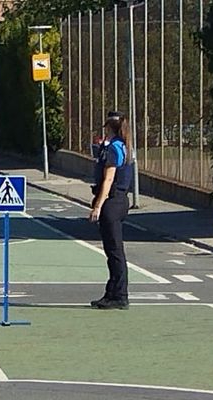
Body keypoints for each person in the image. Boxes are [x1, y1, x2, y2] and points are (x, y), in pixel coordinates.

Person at [89, 111, 133, 310]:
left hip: (113, 202)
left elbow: (108, 179)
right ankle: (112, 292)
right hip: (120, 201)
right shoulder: (121, 146)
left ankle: (119, 295)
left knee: (115, 251)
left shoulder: (114, 149)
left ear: (110, 128)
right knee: (113, 251)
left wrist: (98, 206)